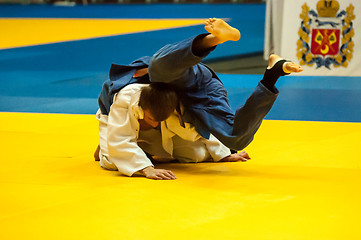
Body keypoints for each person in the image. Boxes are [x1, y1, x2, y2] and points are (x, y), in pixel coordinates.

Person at [95, 18, 303, 180]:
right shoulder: (128, 98)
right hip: (203, 88)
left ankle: (215, 38)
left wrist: (144, 168)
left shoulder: (140, 89)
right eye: (152, 121)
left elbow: (121, 140)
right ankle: (272, 73)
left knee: (158, 67)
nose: (153, 124)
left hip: (188, 79)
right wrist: (223, 152)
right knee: (235, 138)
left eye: (151, 120)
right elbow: (197, 129)